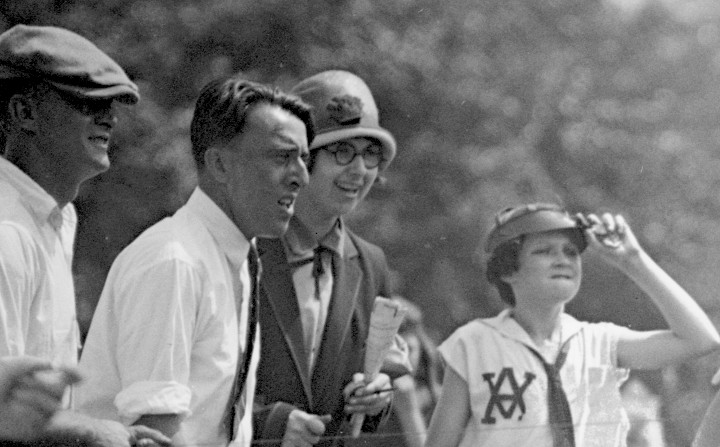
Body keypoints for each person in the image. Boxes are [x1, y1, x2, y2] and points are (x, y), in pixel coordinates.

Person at [75, 76, 313, 447]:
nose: (302, 177)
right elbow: (155, 433)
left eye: (304, 159)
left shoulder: (237, 258)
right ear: (219, 165)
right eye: (282, 157)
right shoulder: (174, 261)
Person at [425, 203, 720, 447]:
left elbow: (701, 340)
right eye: (544, 251)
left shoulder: (600, 342)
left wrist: (633, 260)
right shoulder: (474, 343)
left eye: (570, 252)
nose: (562, 260)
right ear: (508, 271)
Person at [0, 24, 170, 447]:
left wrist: (111, 434)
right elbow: (5, 406)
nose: (109, 117)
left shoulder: (56, 218)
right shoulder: (7, 230)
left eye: (110, 104)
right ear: (24, 113)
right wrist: (94, 433)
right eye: (86, 102)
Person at [252, 70, 411, 447]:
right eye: (342, 152)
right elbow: (204, 380)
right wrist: (269, 425)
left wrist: (377, 398)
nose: (359, 171)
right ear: (301, 160)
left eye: (370, 154)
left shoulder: (371, 263)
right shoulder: (246, 246)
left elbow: (369, 395)